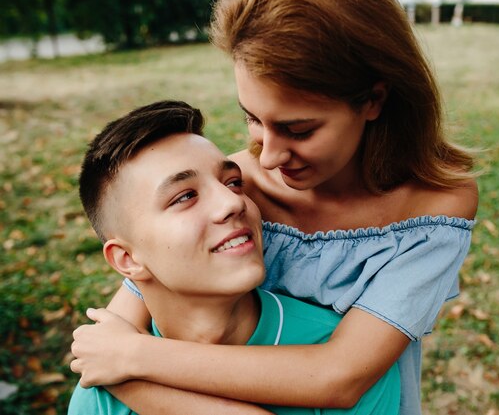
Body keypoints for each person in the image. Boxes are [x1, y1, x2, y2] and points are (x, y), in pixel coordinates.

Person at [70, 0, 479, 414]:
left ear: (373, 99)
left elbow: (340, 377)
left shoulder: (433, 209)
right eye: (252, 118)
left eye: (297, 129)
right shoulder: (234, 189)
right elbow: (108, 341)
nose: (266, 158)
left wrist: (136, 360)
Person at [68, 100, 401, 415]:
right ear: (127, 259)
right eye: (185, 196)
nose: (232, 203)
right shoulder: (100, 393)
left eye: (233, 182)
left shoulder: (340, 357)